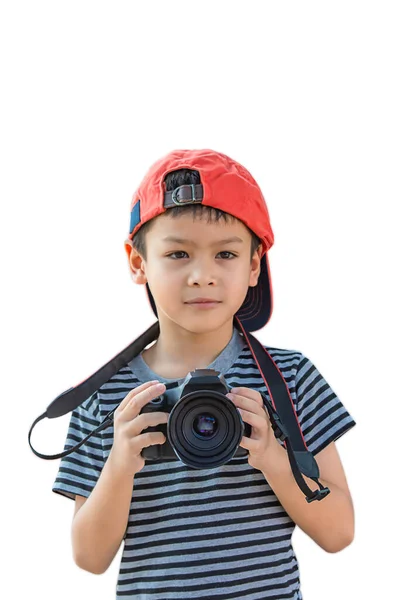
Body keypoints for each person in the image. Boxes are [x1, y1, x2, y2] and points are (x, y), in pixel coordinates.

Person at [52, 148, 356, 600]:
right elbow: (89, 558)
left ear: (255, 264)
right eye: (177, 253)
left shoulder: (291, 378)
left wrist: (274, 456)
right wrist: (120, 463)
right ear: (138, 263)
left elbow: (339, 533)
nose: (202, 275)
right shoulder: (106, 396)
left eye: (226, 254)